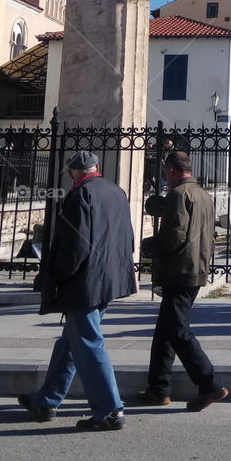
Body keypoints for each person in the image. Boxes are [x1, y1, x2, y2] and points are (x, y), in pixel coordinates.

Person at [17, 149, 136, 431]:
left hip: (85, 282)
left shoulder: (80, 195)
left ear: (73, 173)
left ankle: (110, 410)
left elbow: (75, 246)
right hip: (109, 278)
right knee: (71, 341)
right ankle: (46, 399)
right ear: (96, 168)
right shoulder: (116, 191)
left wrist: (55, 277)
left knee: (88, 343)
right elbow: (128, 237)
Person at [136, 149, 228, 411]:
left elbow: (175, 236)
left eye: (166, 172)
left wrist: (148, 246)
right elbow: (210, 237)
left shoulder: (179, 194)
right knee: (165, 331)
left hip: (179, 271)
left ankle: (209, 383)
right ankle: (158, 388)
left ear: (171, 170)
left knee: (177, 331)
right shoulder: (203, 194)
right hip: (195, 266)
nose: (165, 176)